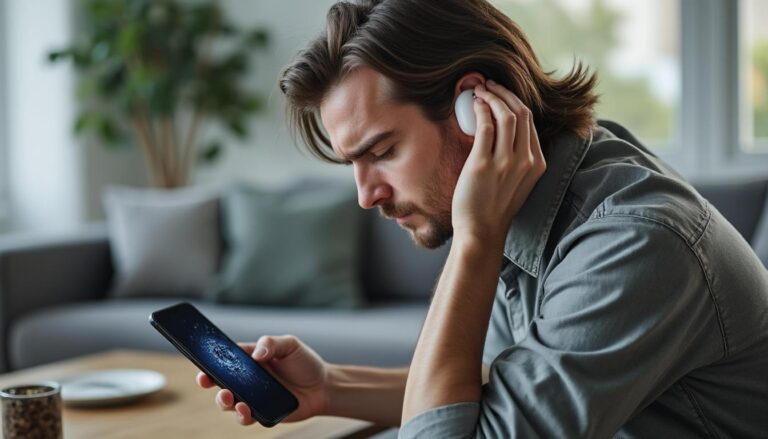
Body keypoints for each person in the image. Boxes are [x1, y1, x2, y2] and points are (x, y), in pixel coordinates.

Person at [196, 0, 768, 436]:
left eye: (382, 151)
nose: (366, 196)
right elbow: (492, 387)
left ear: (474, 109)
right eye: (354, 164)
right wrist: (332, 387)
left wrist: (475, 239)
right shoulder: (542, 198)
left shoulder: (634, 243)